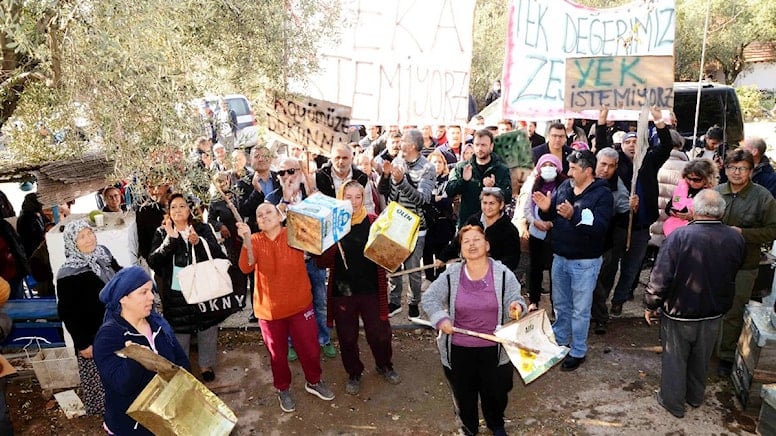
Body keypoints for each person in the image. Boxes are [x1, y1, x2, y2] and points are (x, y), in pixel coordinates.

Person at [644, 189, 745, 418]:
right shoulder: (735, 237)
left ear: (692, 210)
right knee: (702, 358)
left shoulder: (680, 237)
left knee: (675, 359)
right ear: (722, 211)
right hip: (714, 311)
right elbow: (735, 268)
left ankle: (673, 402)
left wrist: (651, 303)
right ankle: (695, 396)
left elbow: (661, 276)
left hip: (680, 311)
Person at [421, 224, 526, 436]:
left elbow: (516, 299)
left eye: (476, 239)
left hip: (495, 347)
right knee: (463, 395)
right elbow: (430, 298)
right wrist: (441, 319)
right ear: (460, 250)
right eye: (466, 241)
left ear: (487, 245)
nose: (471, 244)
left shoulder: (503, 274)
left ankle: (496, 423)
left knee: (496, 393)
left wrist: (516, 308)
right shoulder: (452, 275)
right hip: (459, 348)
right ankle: (469, 428)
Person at [237, 204, 335, 412]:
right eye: (259, 215)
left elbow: (319, 246)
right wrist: (245, 241)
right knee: (277, 355)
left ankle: (314, 381)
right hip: (269, 312)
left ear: (280, 215)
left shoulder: (294, 234)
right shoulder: (253, 240)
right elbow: (245, 267)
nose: (264, 216)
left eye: (269, 212)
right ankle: (283, 388)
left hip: (301, 306)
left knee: (310, 348)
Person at [532, 150, 613, 371]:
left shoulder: (602, 195)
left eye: (574, 168)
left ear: (588, 171)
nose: (569, 172)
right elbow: (553, 216)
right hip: (560, 258)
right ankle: (560, 342)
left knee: (580, 310)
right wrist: (546, 209)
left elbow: (599, 228)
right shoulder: (566, 187)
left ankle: (578, 350)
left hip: (584, 263)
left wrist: (574, 216)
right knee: (561, 305)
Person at [316, 181, 399, 395]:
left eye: (358, 197)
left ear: (364, 199)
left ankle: (384, 365)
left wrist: (393, 253)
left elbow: (387, 256)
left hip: (371, 290)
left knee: (380, 334)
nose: (353, 202)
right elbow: (321, 262)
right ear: (340, 199)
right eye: (348, 197)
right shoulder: (332, 225)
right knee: (347, 337)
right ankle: (354, 373)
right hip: (343, 295)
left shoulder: (373, 222)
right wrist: (331, 240)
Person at [593, 106, 673, 318]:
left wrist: (658, 120)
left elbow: (667, 145)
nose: (631, 145)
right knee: (608, 268)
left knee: (631, 268)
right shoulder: (616, 163)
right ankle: (601, 304)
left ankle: (619, 300)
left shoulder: (650, 161)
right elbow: (601, 148)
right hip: (617, 226)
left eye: (635, 141)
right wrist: (602, 119)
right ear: (621, 145)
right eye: (627, 142)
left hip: (640, 226)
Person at [94, 266, 190, 435]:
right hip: (132, 427)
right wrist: (137, 358)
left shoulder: (158, 324)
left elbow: (181, 362)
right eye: (143, 292)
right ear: (123, 298)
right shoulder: (109, 336)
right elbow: (121, 385)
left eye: (151, 291)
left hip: (168, 417)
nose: (152, 297)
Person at [147, 193, 229, 382]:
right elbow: (154, 262)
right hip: (176, 293)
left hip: (203, 288)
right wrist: (171, 240)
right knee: (179, 330)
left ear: (189, 209)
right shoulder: (162, 232)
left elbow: (218, 254)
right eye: (173, 207)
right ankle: (183, 367)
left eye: (182, 206)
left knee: (207, 326)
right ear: (168, 212)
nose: (178, 210)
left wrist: (199, 243)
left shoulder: (202, 228)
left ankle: (206, 365)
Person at [714, 149, 776, 376]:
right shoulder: (716, 192)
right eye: (732, 168)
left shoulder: (762, 197)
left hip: (745, 264)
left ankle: (726, 355)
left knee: (734, 310)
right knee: (711, 307)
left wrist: (744, 233)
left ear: (751, 171)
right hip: (716, 264)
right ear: (725, 169)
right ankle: (707, 349)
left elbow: (772, 230)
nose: (736, 173)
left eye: (742, 168)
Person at [56, 220, 121, 416]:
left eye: (90, 233)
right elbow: (67, 312)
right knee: (102, 385)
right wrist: (83, 343)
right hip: (93, 338)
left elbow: (119, 277)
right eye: (81, 236)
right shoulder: (67, 273)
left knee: (121, 377)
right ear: (72, 243)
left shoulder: (103, 254)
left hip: (117, 328)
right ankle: (110, 419)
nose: (89, 238)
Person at [378, 129, 436, 318]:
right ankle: (394, 301)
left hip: (416, 227)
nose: (398, 143)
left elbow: (423, 199)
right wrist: (386, 177)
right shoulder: (396, 162)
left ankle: (413, 303)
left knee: (413, 269)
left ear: (412, 146)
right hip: (396, 224)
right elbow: (390, 195)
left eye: (402, 141)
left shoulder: (428, 168)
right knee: (392, 264)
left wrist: (402, 181)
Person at [524, 154, 566, 311]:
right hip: (536, 234)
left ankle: (557, 304)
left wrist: (552, 223)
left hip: (555, 235)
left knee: (555, 271)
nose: (548, 168)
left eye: (551, 164)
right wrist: (536, 222)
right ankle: (534, 301)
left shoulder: (564, 186)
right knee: (535, 268)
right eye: (544, 165)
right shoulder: (533, 185)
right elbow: (527, 209)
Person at [446, 129, 512, 229]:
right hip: (467, 225)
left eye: (483, 145)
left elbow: (508, 197)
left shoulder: (502, 169)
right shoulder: (463, 167)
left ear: (491, 146)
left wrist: (494, 188)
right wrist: (463, 181)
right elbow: (449, 191)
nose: (480, 148)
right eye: (477, 145)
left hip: (493, 226)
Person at [423, 151, 456, 282]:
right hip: (427, 222)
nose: (437, 165)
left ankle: (440, 279)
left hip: (443, 223)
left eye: (440, 162)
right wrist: (433, 198)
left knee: (441, 253)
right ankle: (429, 277)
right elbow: (422, 199)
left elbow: (448, 201)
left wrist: (436, 199)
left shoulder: (448, 182)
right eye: (434, 162)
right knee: (427, 253)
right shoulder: (423, 181)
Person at [662, 159, 717, 237]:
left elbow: (711, 219)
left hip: (695, 235)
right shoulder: (682, 188)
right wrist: (672, 211)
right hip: (672, 231)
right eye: (689, 178)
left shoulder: (709, 195)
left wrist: (692, 217)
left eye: (696, 180)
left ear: (707, 179)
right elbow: (669, 206)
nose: (691, 182)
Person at [16, 193, 50, 260]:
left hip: (39, 246)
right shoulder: (25, 218)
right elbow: (30, 237)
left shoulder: (37, 213)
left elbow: (46, 223)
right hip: (32, 251)